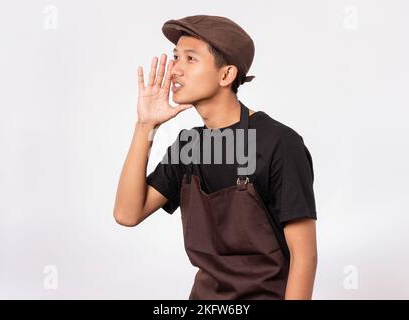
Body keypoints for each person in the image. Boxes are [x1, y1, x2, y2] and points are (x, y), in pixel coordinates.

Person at [113, 15, 318, 300]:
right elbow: (127, 213)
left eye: (190, 58)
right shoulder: (189, 145)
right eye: (175, 57)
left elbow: (304, 257)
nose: (175, 70)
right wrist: (145, 126)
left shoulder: (279, 143)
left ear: (226, 75)